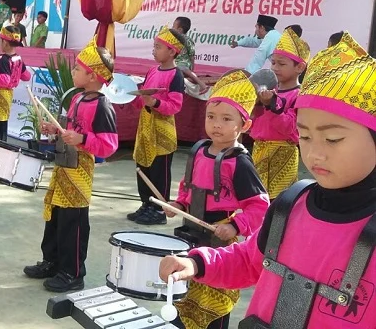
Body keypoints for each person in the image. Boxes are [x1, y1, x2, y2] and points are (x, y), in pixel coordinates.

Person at [159, 32, 376, 329]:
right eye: (306, 136)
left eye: (333, 138)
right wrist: (198, 263)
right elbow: (250, 260)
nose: (314, 154)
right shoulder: (291, 205)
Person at [166, 69, 269, 329]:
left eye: (226, 119)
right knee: (183, 299)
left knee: (214, 306)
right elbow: (188, 186)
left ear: (244, 125)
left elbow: (259, 207)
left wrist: (234, 226)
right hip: (191, 234)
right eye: (211, 116)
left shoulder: (240, 162)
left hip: (220, 239)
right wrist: (179, 204)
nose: (216, 124)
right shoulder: (199, 150)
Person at [24, 38, 119, 293]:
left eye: (78, 69)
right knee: (55, 218)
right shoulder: (77, 99)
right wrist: (56, 130)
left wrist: (84, 139)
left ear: (92, 76)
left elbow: (109, 145)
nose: (74, 72)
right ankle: (52, 262)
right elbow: (70, 130)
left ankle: (73, 273)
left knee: (72, 223)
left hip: (80, 173)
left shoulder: (102, 106)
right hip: (63, 168)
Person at [129, 27, 187, 225]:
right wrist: (136, 98)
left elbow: (176, 106)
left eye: (159, 47)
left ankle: (160, 210)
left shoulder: (176, 75)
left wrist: (154, 103)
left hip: (162, 131)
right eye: (154, 46)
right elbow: (144, 97)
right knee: (143, 167)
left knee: (159, 172)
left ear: (172, 51)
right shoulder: (152, 70)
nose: (154, 50)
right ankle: (146, 204)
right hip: (145, 127)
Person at [250, 28, 309, 199]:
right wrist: (256, 104)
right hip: (259, 149)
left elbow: (291, 128)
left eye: (281, 64)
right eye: (273, 63)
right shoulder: (268, 90)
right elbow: (253, 121)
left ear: (300, 67)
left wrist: (271, 105)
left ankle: (276, 227)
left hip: (283, 152)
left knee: (279, 200)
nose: (275, 68)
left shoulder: (299, 95)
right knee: (256, 197)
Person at [0, 25, 31, 141]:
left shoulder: (4, 59)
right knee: (1, 127)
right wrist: (16, 73)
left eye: (0, 40)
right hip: (8, 97)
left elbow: (5, 80)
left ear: (6, 43)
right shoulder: (18, 58)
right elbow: (26, 76)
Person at [173, 16, 208, 94]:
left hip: (184, 64)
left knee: (180, 67)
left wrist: (192, 69)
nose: (172, 28)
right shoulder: (173, 40)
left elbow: (192, 56)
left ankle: (201, 84)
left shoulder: (188, 41)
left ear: (180, 30)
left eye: (173, 27)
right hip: (175, 64)